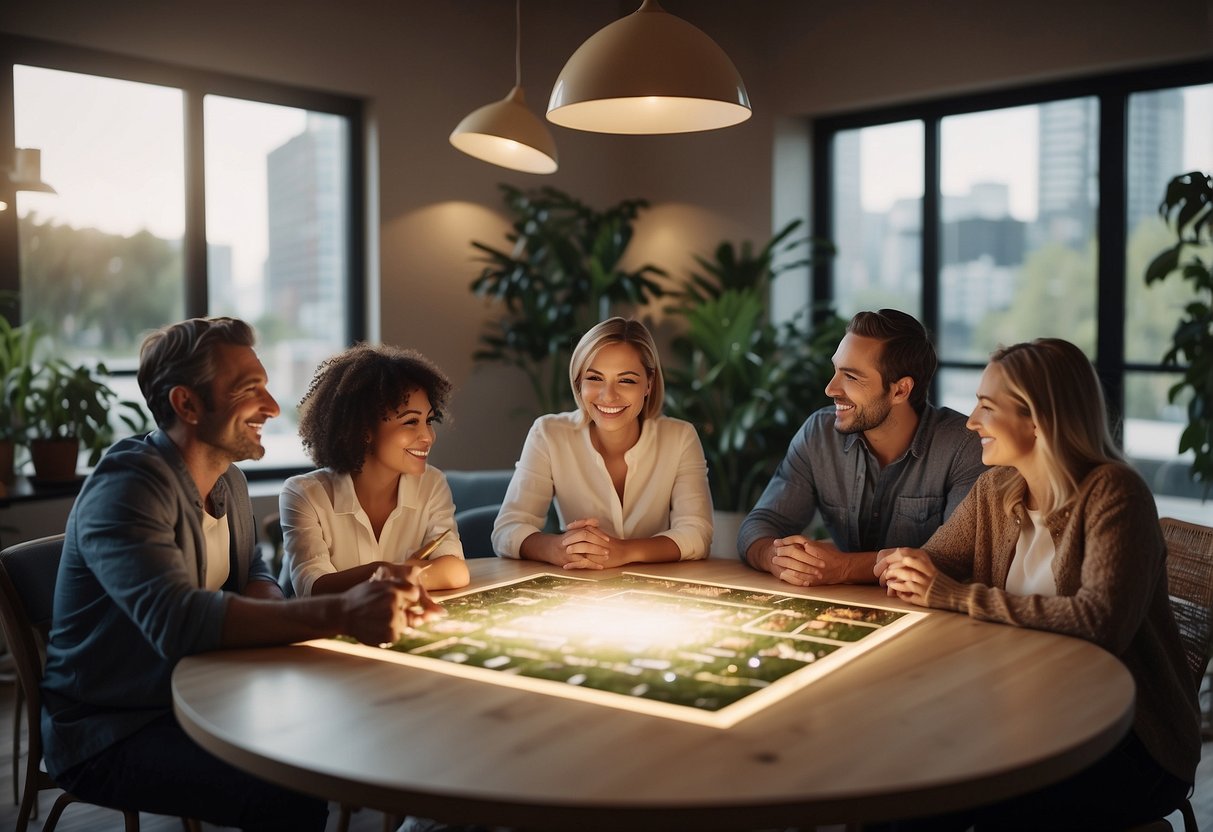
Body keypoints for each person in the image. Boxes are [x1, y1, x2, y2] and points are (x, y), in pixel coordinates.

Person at [41, 318, 442, 832]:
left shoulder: (226, 478)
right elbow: (178, 620)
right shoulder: (127, 486)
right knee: (291, 788)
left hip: (206, 692)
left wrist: (268, 600)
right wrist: (343, 611)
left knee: (345, 732)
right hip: (114, 728)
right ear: (187, 405)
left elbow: (256, 568)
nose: (273, 407)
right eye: (249, 390)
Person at [877, 338, 1198, 830]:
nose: (970, 422)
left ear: (1038, 418)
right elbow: (937, 561)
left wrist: (955, 595)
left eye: (986, 407)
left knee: (940, 796)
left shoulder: (1115, 494)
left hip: (1128, 739)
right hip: (1020, 708)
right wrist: (905, 567)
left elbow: (1100, 622)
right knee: (902, 782)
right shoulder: (997, 488)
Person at [739, 309, 985, 586]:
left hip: (931, 617)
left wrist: (845, 568)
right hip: (843, 608)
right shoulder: (819, 433)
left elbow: (956, 558)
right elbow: (760, 524)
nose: (830, 389)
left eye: (852, 377)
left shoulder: (964, 446)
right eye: (836, 370)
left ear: (900, 390)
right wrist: (777, 556)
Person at [492, 317, 712, 567]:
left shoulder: (680, 437)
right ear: (579, 381)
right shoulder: (549, 434)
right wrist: (559, 548)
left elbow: (697, 534)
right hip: (580, 587)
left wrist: (623, 551)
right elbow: (507, 530)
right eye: (595, 378)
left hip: (658, 590)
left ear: (648, 384)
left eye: (626, 380)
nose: (608, 396)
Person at [281, 344, 470, 597]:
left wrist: (391, 575)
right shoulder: (305, 494)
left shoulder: (432, 484)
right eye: (411, 422)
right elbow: (314, 587)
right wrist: (396, 572)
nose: (428, 436)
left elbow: (455, 570)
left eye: (429, 421)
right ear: (364, 429)